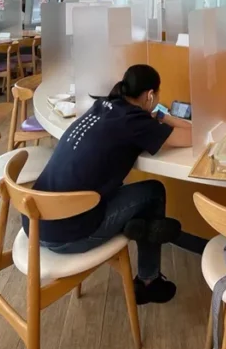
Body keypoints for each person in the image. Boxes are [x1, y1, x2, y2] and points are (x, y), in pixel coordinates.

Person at [25, 65, 192, 304]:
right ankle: (148, 281)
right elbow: (193, 135)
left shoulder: (101, 105)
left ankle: (138, 225)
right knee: (154, 192)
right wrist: (164, 116)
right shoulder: (137, 123)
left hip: (36, 222)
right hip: (67, 234)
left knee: (127, 194)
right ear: (151, 95)